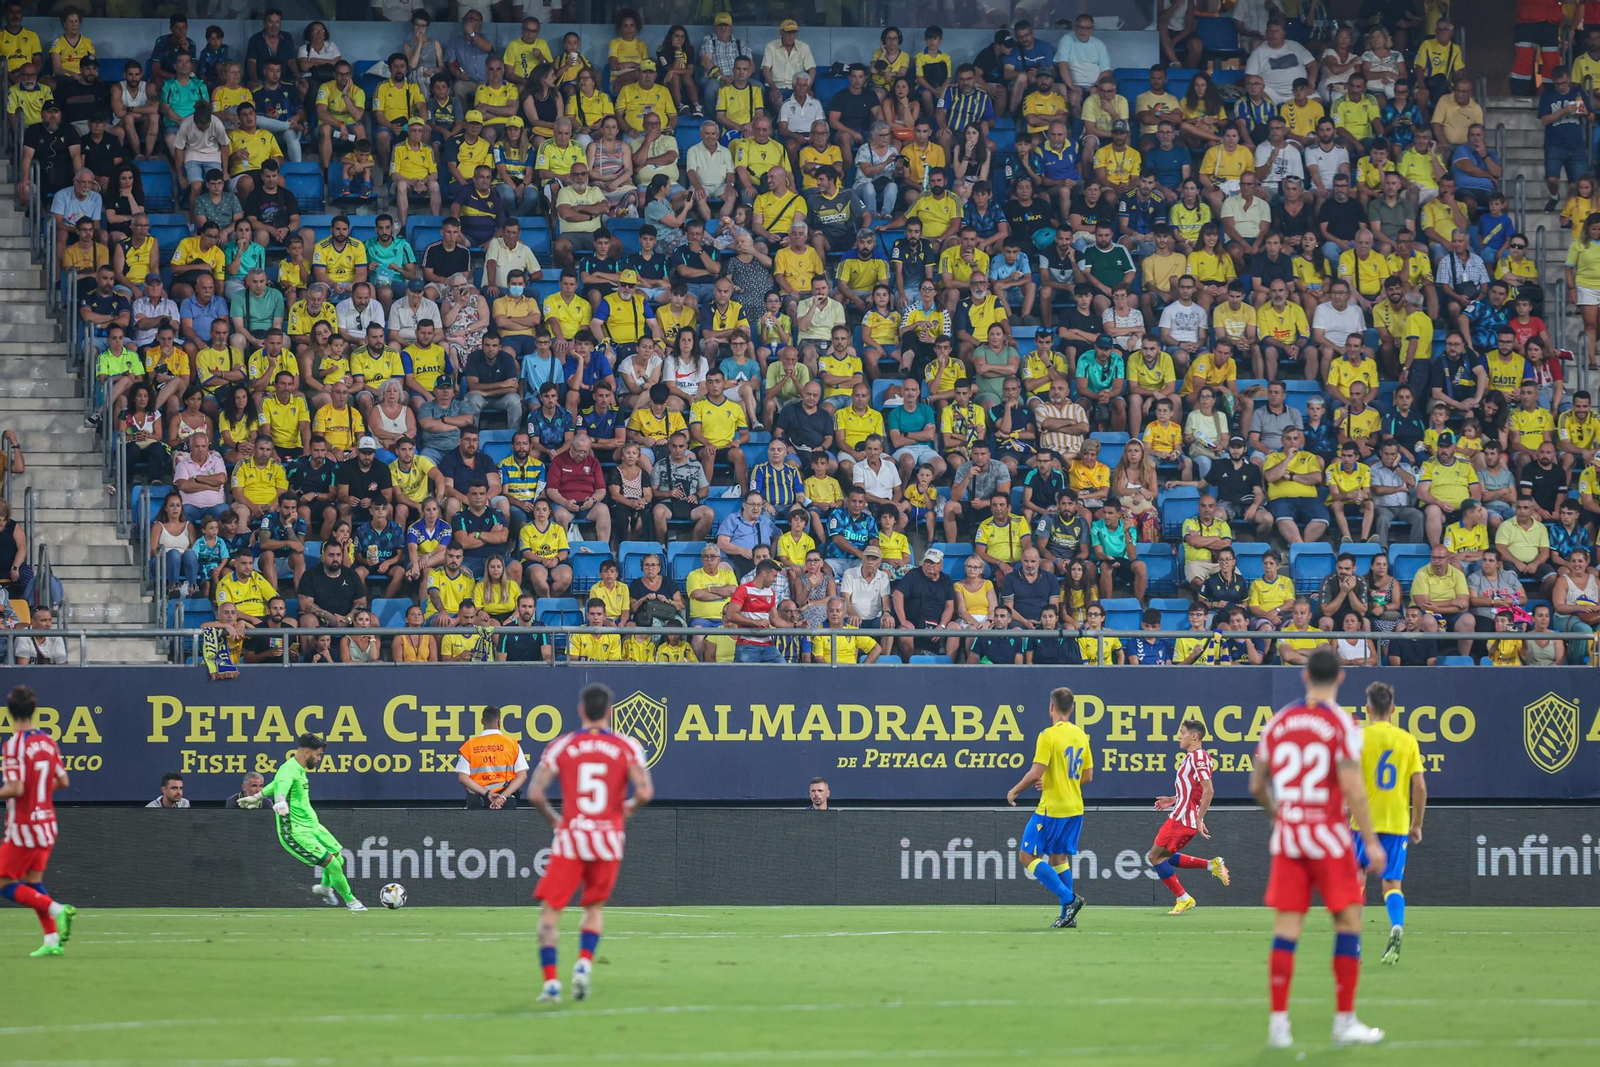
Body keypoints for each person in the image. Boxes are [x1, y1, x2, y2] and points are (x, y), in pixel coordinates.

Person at [1250, 648, 1386, 1050]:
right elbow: (1353, 788)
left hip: (1290, 838)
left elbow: (1258, 785)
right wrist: (1373, 841)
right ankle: (1344, 1022)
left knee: (1287, 929)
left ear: (1304, 675)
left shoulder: (1278, 723)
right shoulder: (1342, 724)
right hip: (1328, 837)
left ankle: (1279, 1026)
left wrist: (1279, 815)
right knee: (1347, 922)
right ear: (1341, 678)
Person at [529, 683, 655, 1003]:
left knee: (550, 914)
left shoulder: (563, 745)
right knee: (594, 907)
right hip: (608, 838)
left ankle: (551, 983)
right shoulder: (627, 746)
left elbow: (535, 793)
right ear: (610, 712)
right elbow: (644, 792)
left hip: (572, 837)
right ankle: (584, 963)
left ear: (581, 711)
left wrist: (556, 820)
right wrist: (625, 810)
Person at [1004, 686, 1091, 929]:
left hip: (1052, 808)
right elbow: (1088, 775)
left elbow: (1035, 773)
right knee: (1058, 857)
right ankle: (1068, 916)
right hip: (1075, 807)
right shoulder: (1081, 735)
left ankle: (1069, 899)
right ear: (1072, 708)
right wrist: (1058, 779)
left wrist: (1015, 791)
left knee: (1026, 855)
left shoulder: (1048, 735)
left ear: (1051, 707)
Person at [1355, 680, 1427, 967]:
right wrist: (1417, 823)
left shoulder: (1359, 737)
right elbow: (1419, 786)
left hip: (1362, 821)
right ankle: (1396, 925)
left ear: (1368, 708)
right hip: (1397, 822)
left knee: (1356, 880)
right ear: (1394, 709)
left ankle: (1354, 944)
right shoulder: (1407, 739)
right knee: (1392, 883)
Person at [249, 733, 365, 911]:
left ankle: (325, 888)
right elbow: (282, 786)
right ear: (306, 751)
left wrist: (258, 795)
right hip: (295, 832)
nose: (319, 759)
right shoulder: (288, 770)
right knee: (332, 864)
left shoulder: (297, 769)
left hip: (312, 826)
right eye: (318, 755)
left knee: (338, 859)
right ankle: (352, 902)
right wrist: (280, 801)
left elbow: (276, 783)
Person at [0, 687, 76, 957]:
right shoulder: (47, 741)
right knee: (32, 883)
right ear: (34, 711)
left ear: (9, 713)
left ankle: (58, 910)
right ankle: (52, 939)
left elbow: (16, 788)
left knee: (4, 883)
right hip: (47, 822)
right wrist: (40, 794)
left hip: (24, 827)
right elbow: (63, 781)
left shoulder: (14, 745)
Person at [1144, 717, 1232, 915]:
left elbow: (1208, 790)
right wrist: (1173, 799)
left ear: (1193, 736)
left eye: (1182, 733)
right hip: (1182, 814)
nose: (1179, 737)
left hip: (1182, 819)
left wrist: (1199, 818)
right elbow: (1193, 791)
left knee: (1155, 857)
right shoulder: (1194, 758)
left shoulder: (1198, 757)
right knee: (1164, 856)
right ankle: (1211, 864)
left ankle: (1183, 898)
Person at [455, 706, 529, 810]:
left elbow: (463, 778)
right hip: (505, 802)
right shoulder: (512, 744)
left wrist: (487, 794)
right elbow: (522, 776)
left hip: (477, 801)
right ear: (499, 722)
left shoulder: (470, 745)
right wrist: (503, 797)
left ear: (482, 721)